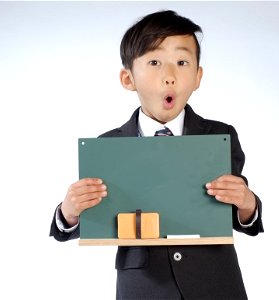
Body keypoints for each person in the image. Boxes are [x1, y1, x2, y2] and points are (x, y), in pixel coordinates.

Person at [50, 10, 264, 299]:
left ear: (198, 76)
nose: (169, 76)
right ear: (128, 78)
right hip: (144, 284)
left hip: (215, 281)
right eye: (154, 62)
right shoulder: (109, 145)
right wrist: (70, 212)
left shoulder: (219, 136)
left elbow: (240, 217)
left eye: (182, 62)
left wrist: (247, 203)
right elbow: (85, 222)